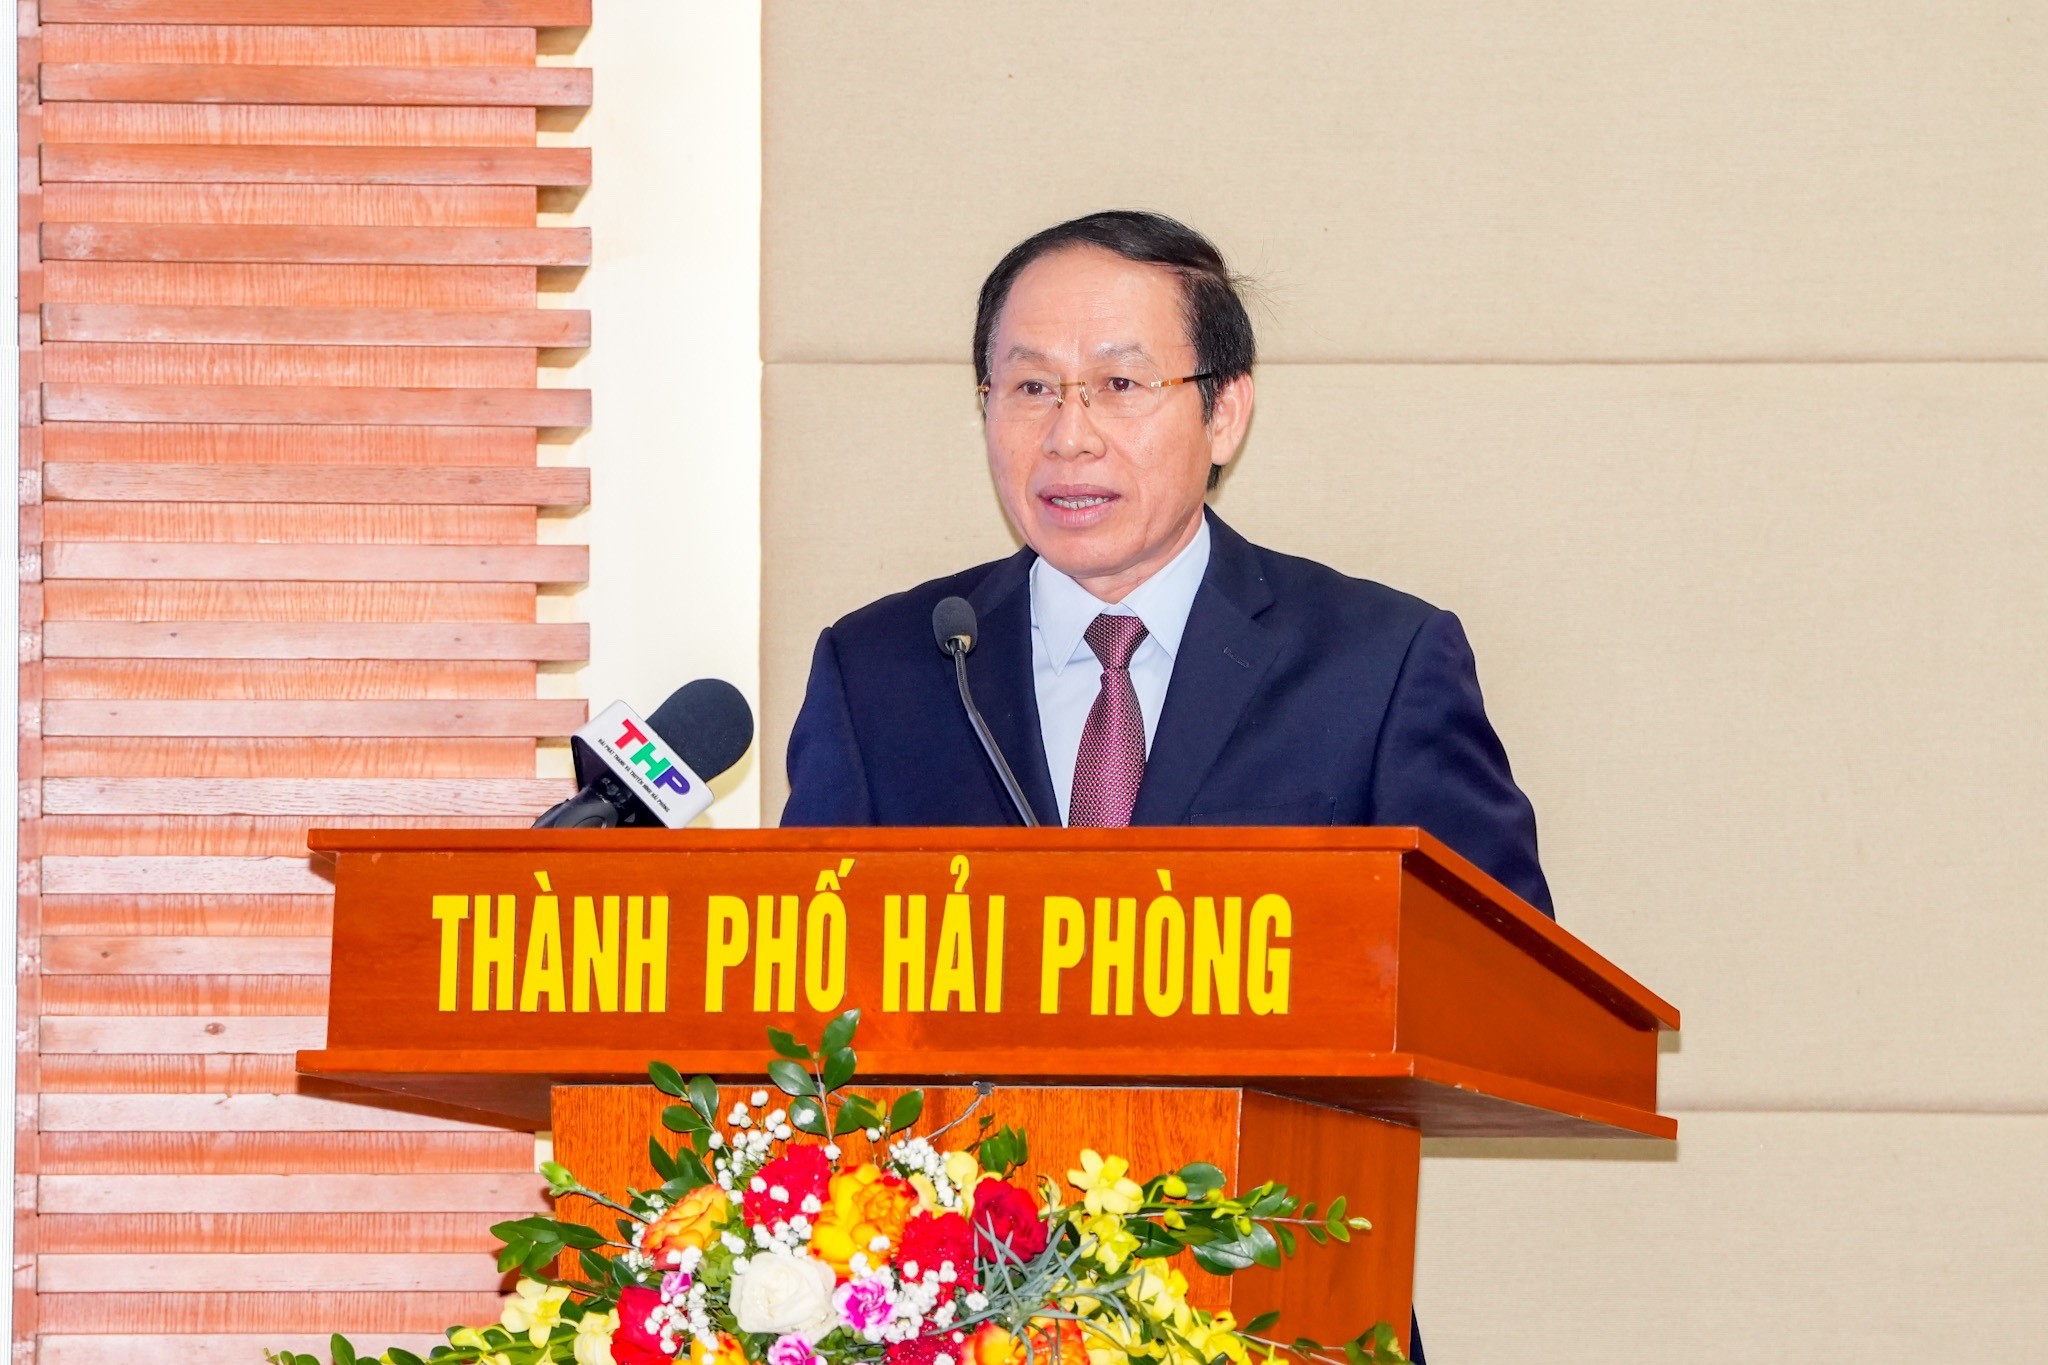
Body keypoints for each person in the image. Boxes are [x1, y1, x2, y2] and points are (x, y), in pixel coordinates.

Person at [783, 210, 1556, 1360]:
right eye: (1028, 389)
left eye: (1119, 384)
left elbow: (1506, 984)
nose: (1069, 436)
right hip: (947, 1313)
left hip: (1279, 1304)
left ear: (1224, 411)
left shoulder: (1375, 660)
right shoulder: (887, 667)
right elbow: (803, 1005)